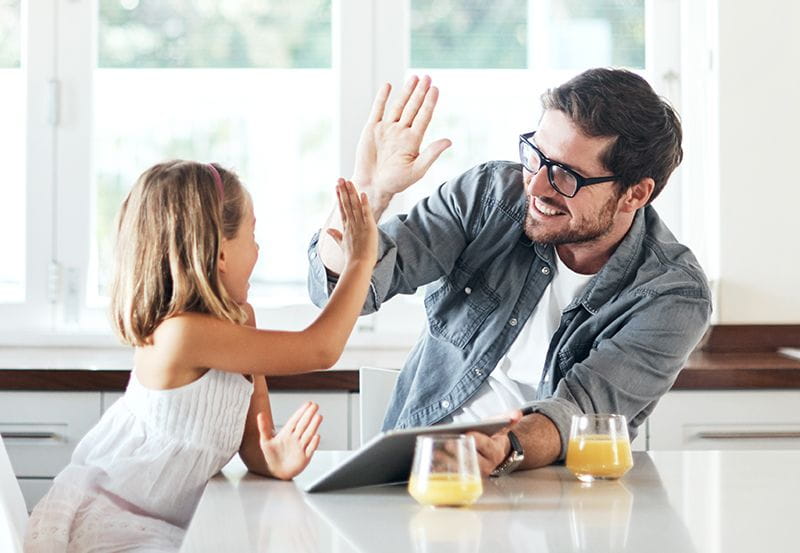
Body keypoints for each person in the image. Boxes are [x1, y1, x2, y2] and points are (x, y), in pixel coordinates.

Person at [309, 69, 711, 477]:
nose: (536, 187)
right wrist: (370, 191)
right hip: (422, 472)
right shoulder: (489, 196)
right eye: (536, 156)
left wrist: (505, 447)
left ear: (635, 193)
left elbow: (584, 412)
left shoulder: (670, 294)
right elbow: (344, 294)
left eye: (566, 176)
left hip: (551, 490)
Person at [25, 161, 377, 551]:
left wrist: (273, 459)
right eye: (252, 234)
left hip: (171, 524)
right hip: (113, 518)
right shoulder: (180, 335)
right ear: (221, 253)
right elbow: (321, 349)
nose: (258, 249)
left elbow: (252, 441)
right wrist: (360, 262)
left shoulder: (241, 321)